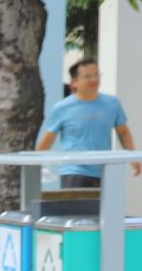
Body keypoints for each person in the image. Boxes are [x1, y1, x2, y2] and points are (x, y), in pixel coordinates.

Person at [37, 58, 135, 190]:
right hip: (74, 171)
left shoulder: (112, 103)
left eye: (96, 75)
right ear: (75, 82)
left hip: (104, 169)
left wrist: (133, 156)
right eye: (88, 76)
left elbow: (123, 131)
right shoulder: (62, 108)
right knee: (77, 210)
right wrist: (36, 164)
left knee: (105, 209)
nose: (94, 80)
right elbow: (48, 138)